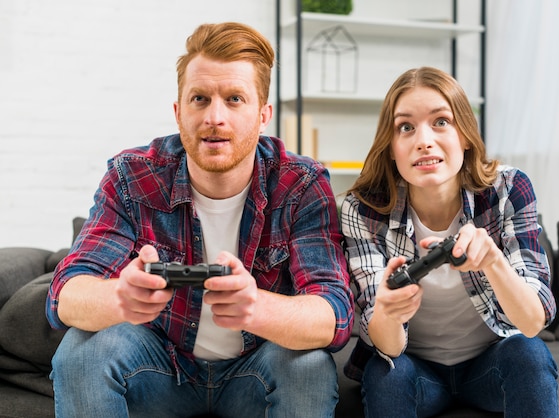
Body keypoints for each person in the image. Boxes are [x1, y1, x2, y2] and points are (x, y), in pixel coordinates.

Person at [46, 22, 354, 418]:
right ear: (178, 112)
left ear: (263, 116)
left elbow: (334, 313)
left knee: (309, 366)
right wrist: (120, 297)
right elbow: (64, 293)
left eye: (234, 99)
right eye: (200, 98)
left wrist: (254, 308)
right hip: (160, 368)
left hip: (255, 370)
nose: (215, 116)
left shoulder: (301, 183)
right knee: (80, 353)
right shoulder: (133, 176)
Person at [340, 66, 559, 417]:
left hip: (490, 363)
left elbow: (533, 322)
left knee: (528, 354)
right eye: (405, 127)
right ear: (392, 148)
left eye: (440, 121)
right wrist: (388, 309)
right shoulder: (363, 208)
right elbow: (386, 345)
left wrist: (493, 261)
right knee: (386, 372)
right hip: (414, 368)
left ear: (466, 135)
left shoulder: (508, 190)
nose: (423, 140)